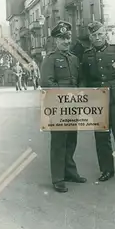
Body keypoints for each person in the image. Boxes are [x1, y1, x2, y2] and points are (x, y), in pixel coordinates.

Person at [81, 21, 115, 185]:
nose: (97, 38)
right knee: (101, 137)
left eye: (100, 34)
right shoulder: (87, 55)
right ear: (90, 38)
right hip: (97, 100)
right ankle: (106, 169)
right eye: (93, 35)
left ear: (105, 34)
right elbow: (84, 78)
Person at [40, 20, 87, 193]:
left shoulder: (74, 59)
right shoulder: (50, 59)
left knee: (72, 140)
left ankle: (70, 172)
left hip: (74, 105)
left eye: (68, 37)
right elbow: (46, 83)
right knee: (59, 142)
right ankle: (58, 178)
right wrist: (63, 96)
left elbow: (80, 79)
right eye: (62, 38)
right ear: (55, 41)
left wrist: (81, 92)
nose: (66, 41)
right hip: (59, 106)